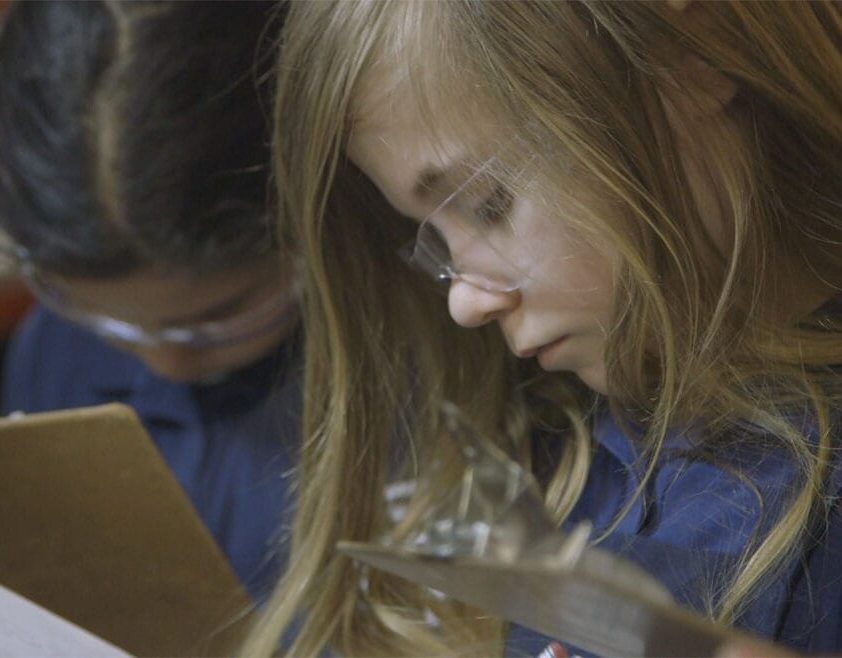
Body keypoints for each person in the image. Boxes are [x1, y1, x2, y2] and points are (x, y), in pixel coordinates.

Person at [238, 1, 842, 656]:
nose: (464, 305)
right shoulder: (547, 452)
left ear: (693, 67)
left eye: (488, 203)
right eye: (435, 242)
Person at [0, 0, 299, 601]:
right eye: (115, 326)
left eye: (218, 318)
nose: (165, 364)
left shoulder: (421, 363)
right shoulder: (54, 350)